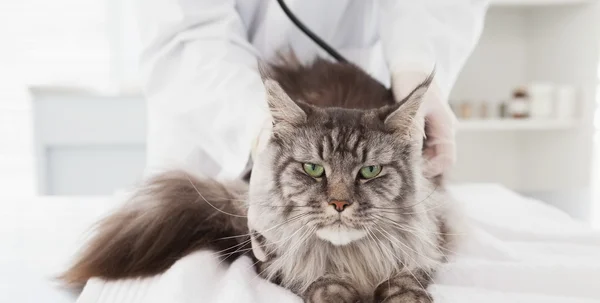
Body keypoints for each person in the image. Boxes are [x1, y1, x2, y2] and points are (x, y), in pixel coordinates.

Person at [136, 0, 489, 179]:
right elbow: (185, 31)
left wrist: (415, 61)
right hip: (212, 132)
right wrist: (258, 128)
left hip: (368, 95)